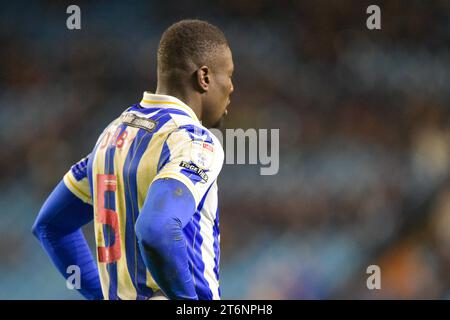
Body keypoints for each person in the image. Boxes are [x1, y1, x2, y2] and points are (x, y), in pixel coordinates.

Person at [32, 19, 234, 300]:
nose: (232, 87)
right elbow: (156, 229)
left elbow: (50, 226)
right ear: (204, 77)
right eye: (229, 75)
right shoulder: (192, 139)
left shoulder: (111, 136)